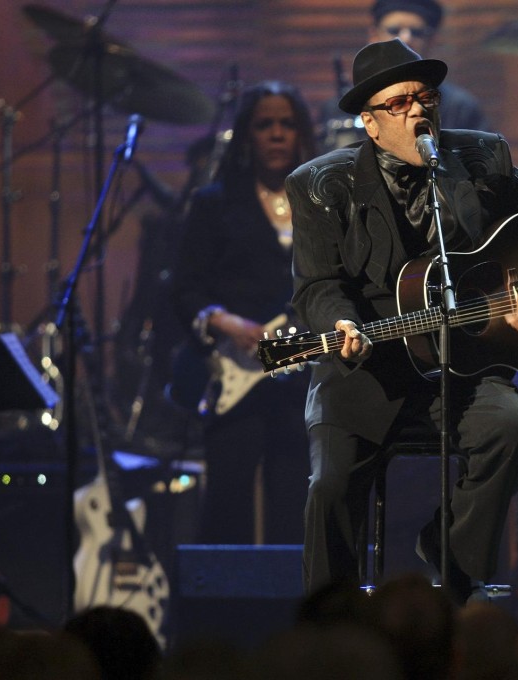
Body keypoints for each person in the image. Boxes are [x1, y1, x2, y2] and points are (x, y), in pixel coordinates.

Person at [286, 38, 518, 605]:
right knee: (331, 484)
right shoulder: (319, 185)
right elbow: (318, 285)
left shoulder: (484, 160)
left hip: (465, 366)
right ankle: (327, 617)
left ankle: (451, 569)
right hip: (367, 367)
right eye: (398, 104)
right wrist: (340, 324)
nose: (417, 111)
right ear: (368, 122)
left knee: (517, 429)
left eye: (425, 97)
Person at [171, 80, 318, 544]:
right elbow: (184, 286)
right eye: (264, 125)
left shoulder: (322, 203)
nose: (276, 134)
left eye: (287, 124)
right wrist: (223, 321)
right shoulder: (213, 204)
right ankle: (221, 613)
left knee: (295, 496)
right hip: (236, 373)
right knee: (227, 499)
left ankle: (295, 610)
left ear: (301, 135)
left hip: (301, 374)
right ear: (247, 135)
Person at [319, 0, 490, 151]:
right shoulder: (337, 108)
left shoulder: (461, 108)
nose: (405, 38)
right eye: (394, 30)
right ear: (374, 34)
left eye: (416, 32)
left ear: (432, 39)